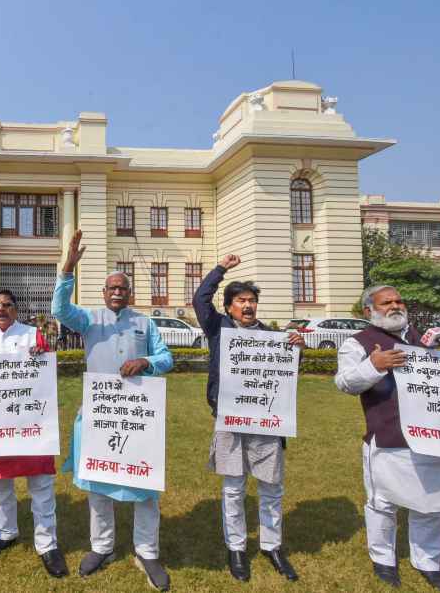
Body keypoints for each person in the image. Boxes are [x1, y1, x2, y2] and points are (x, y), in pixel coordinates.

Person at [335, 285, 440, 592]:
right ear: (369, 312)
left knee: (429, 503)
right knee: (382, 504)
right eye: (386, 302)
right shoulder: (357, 343)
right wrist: (373, 366)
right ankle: (384, 560)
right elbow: (346, 383)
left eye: (398, 300)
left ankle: (427, 562)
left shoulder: (427, 340)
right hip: (387, 437)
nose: (395, 306)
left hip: (431, 438)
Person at [51, 230, 173, 591]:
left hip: (138, 418)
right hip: (100, 417)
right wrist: (68, 268)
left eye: (123, 288)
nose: (117, 292)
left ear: (129, 294)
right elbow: (59, 310)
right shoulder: (89, 320)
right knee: (99, 486)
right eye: (111, 288)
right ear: (104, 294)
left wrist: (145, 361)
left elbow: (166, 358)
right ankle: (101, 547)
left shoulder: (145, 323)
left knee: (144, 485)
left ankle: (147, 550)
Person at [194, 254, 304, 583]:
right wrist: (221, 269)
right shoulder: (218, 328)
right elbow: (200, 298)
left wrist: (295, 350)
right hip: (230, 420)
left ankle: (272, 546)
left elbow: (286, 378)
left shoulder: (273, 336)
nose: (247, 306)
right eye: (241, 300)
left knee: (272, 487)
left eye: (252, 301)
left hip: (267, 422)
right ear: (229, 307)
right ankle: (237, 547)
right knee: (233, 488)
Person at [0, 287, 69, 579]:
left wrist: (41, 354)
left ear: (16, 309)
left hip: (30, 425)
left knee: (41, 486)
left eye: (7, 305)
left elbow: (48, 369)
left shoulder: (33, 334)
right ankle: (4, 532)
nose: (1, 310)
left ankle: (47, 544)